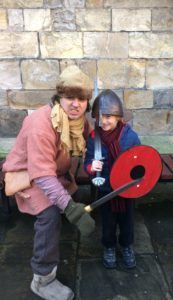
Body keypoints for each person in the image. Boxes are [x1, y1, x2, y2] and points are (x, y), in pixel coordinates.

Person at [3, 65, 95, 300]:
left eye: (82, 99)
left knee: (66, 202)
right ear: (59, 97)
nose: (76, 104)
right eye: (70, 97)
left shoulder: (78, 121)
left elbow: (91, 141)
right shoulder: (41, 124)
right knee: (51, 215)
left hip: (54, 170)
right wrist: (69, 208)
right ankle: (42, 279)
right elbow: (42, 174)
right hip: (27, 175)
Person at [84, 89, 141, 269]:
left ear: (118, 117)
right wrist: (92, 167)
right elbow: (88, 162)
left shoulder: (130, 137)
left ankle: (126, 246)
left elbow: (139, 161)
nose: (104, 121)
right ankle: (108, 247)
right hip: (106, 189)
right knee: (107, 222)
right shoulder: (94, 139)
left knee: (127, 222)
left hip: (126, 190)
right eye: (101, 117)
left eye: (109, 116)